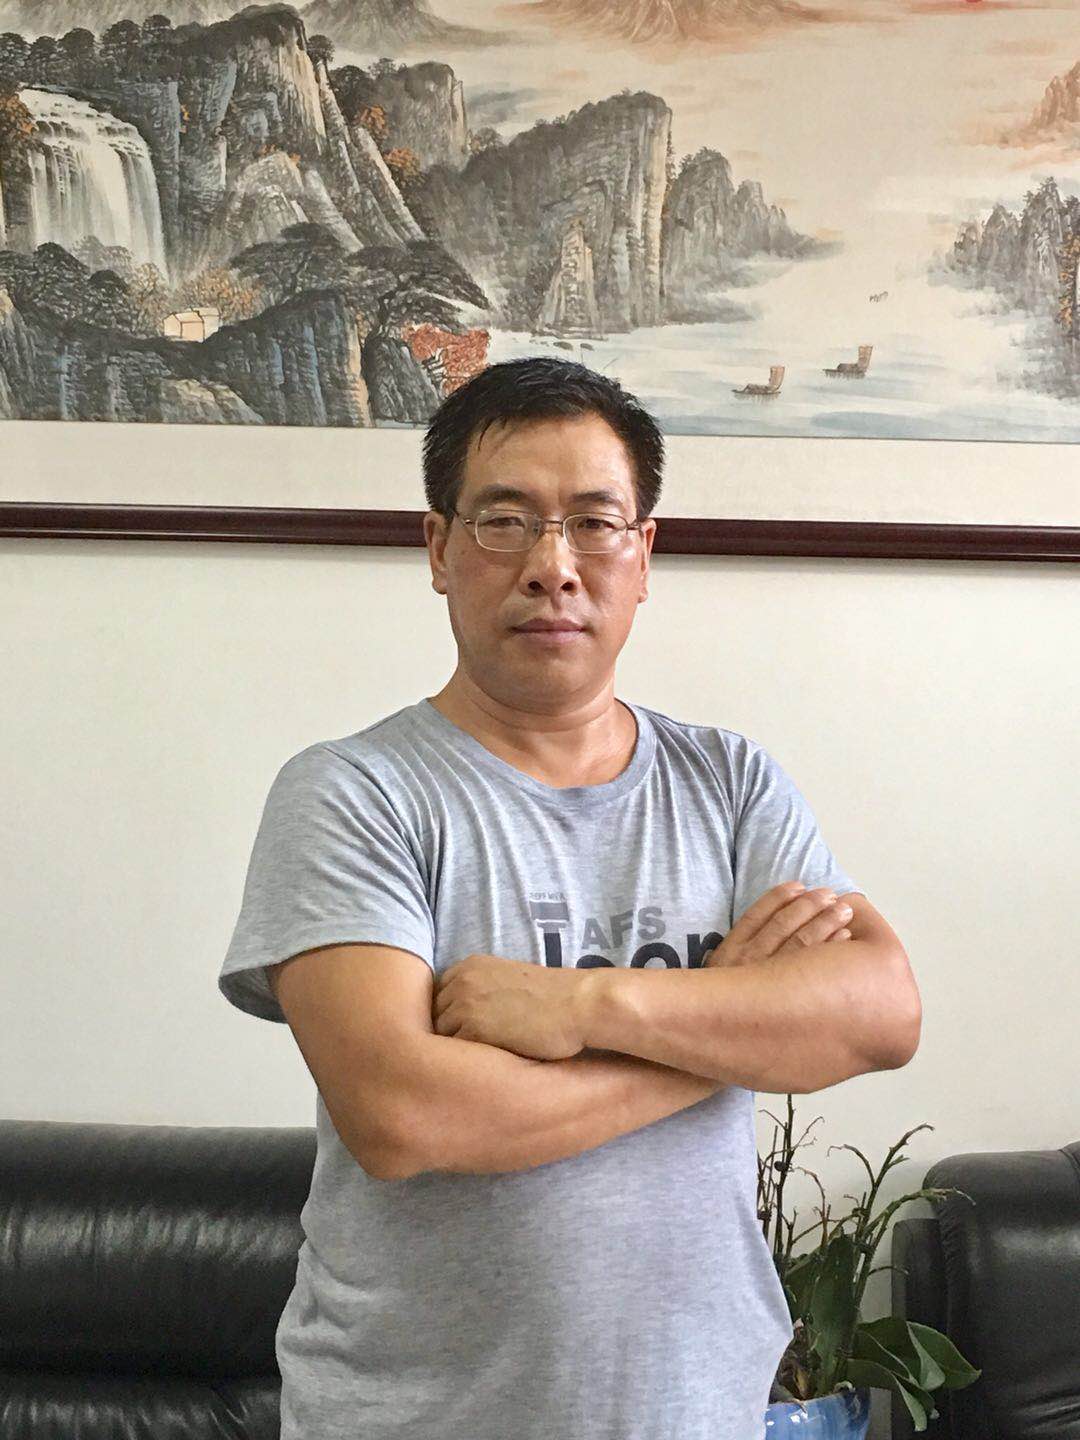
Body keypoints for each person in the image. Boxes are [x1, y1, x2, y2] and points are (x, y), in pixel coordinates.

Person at [218, 356, 919, 1440]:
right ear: (438, 549)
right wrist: (725, 1031)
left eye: (594, 524)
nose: (553, 567)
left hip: (697, 1416)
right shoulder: (353, 793)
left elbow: (879, 1012)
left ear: (644, 555)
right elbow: (404, 1115)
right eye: (505, 522)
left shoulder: (731, 783)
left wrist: (580, 1006)